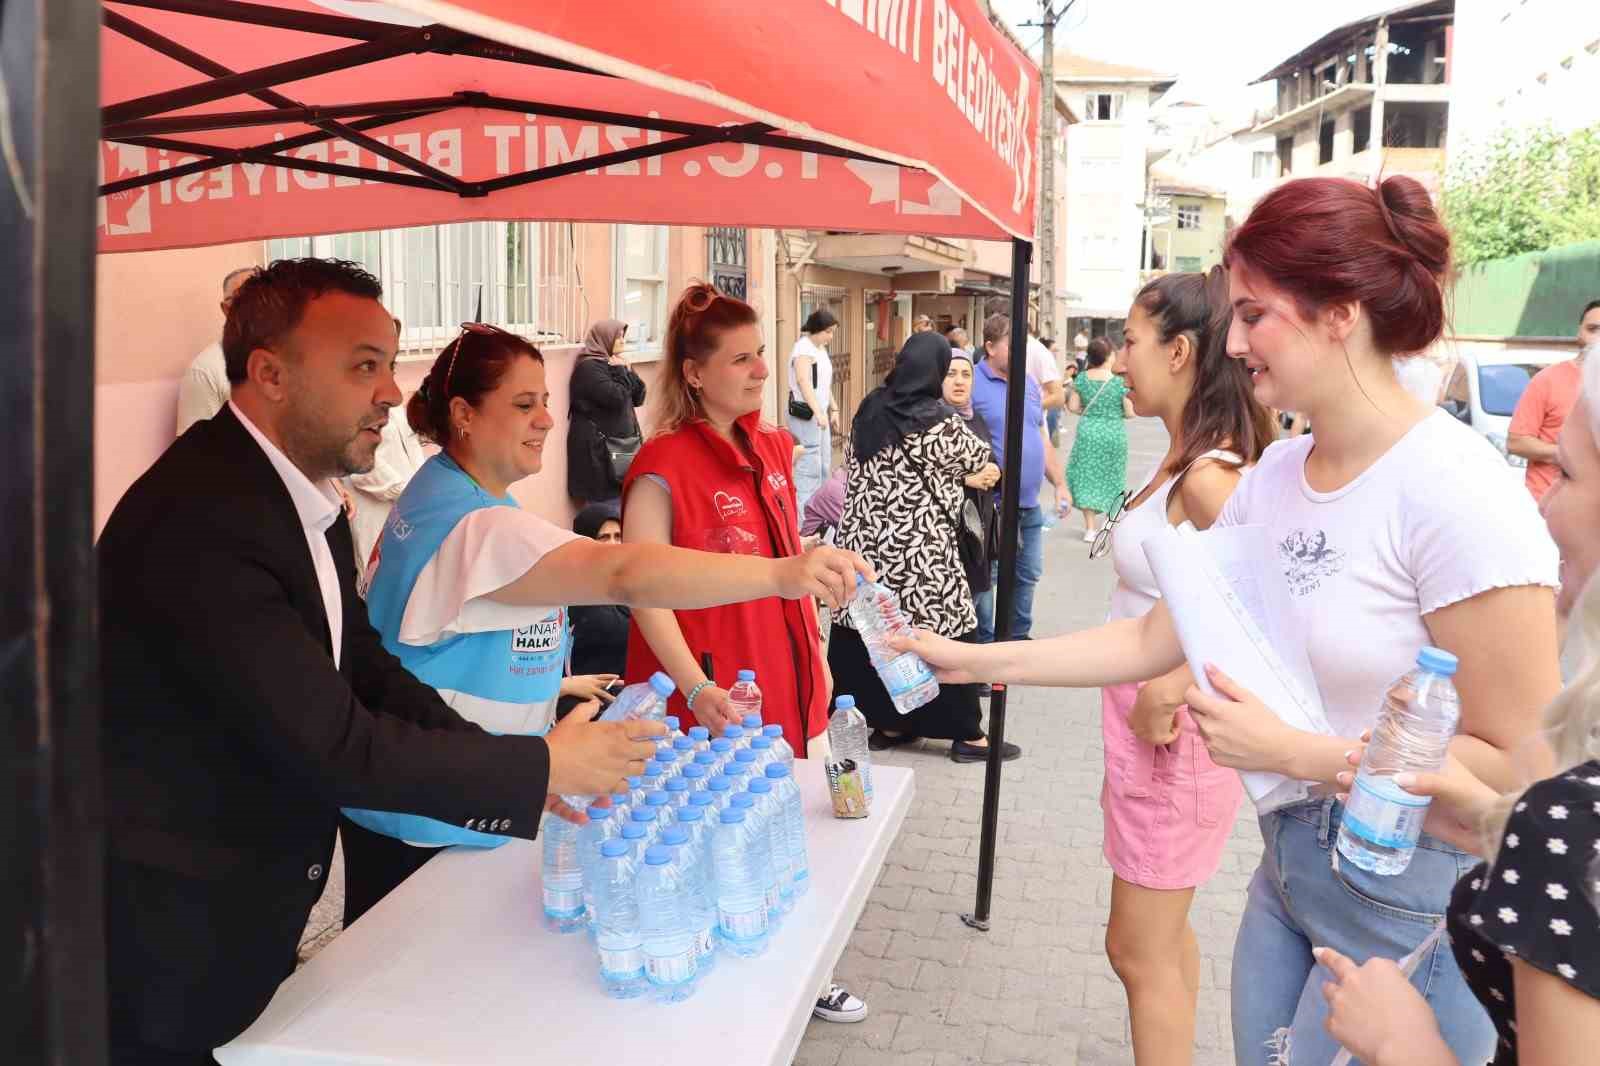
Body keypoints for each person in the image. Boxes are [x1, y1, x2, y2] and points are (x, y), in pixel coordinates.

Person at [895, 176, 1561, 1066]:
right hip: (1290, 866)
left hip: (1413, 902)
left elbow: (1521, 773)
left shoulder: (1456, 492)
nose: (1234, 340)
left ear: (1341, 313)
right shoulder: (1281, 474)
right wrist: (968, 660)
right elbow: (1151, 638)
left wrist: (1301, 755)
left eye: (1255, 314)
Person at [98, 259, 663, 1065]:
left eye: (390, 365)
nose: (394, 394)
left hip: (241, 911)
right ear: (270, 374)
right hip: (164, 926)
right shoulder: (204, 520)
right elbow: (334, 744)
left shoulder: (304, 495)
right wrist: (535, 768)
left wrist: (520, 768)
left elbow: (368, 668)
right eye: (364, 366)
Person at [340, 318, 869, 927]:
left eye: (545, 401)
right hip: (431, 825)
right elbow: (627, 575)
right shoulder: (476, 527)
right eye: (522, 405)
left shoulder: (448, 494)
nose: (546, 419)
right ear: (463, 414)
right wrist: (782, 576)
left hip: (433, 798)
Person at [1319, 352, 1600, 1065]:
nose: (1542, 503)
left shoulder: (1569, 827)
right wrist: (1495, 821)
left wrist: (1401, 1041)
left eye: (1565, 474)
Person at [624, 282, 869, 1023]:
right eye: (741, 359)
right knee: (702, 837)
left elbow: (780, 553)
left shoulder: (769, 446)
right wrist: (696, 686)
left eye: (763, 353)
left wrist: (817, 637)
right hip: (706, 690)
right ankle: (708, 983)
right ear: (695, 373)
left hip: (779, 668)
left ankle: (799, 961)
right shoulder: (662, 463)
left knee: (777, 829)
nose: (762, 370)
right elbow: (642, 588)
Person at [1098, 270, 1276, 1066]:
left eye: (1130, 342)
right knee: (1160, 947)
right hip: (1152, 737)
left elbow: (1279, 608)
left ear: (1177, 351)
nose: (1117, 359)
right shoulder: (1187, 456)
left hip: (1176, 743)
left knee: (1137, 952)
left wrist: (1173, 682)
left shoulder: (1209, 474)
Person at [829, 331, 1016, 763]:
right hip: (920, 554)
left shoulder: (870, 408)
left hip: (866, 553)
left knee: (870, 633)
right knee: (946, 630)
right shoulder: (935, 417)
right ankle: (969, 736)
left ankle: (891, 723)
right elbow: (978, 455)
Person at [970, 312, 1051, 643]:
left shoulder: (1029, 383)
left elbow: (1040, 434)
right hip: (994, 503)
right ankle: (988, 645)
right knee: (987, 579)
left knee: (1027, 573)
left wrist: (1059, 483)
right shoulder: (972, 383)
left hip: (1030, 503)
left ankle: (1019, 639)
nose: (1021, 350)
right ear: (990, 347)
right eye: (1012, 344)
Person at [347, 315, 427, 589]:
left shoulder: (391, 392)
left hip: (408, 512)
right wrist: (406, 491)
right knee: (376, 585)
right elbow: (362, 467)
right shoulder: (356, 396)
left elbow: (412, 443)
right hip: (376, 512)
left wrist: (422, 488)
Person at [1508, 299, 1600, 501]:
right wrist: (1566, 455)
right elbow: (1516, 442)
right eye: (1593, 329)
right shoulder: (1548, 379)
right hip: (1546, 508)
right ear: (1579, 333)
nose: (1598, 339)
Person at [565, 317, 646, 506]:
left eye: (624, 336)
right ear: (605, 338)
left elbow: (639, 397)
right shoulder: (588, 368)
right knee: (605, 512)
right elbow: (616, 398)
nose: (623, 341)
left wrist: (627, 371)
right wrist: (620, 371)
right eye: (619, 337)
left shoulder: (614, 364)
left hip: (620, 450)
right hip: (599, 455)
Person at [1066, 337, 1134, 542]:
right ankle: (1108, 523)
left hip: (1089, 431)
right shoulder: (1118, 382)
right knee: (1112, 476)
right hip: (1113, 433)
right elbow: (1130, 412)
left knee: (1087, 477)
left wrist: (1089, 414)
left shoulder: (1082, 379)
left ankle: (1089, 528)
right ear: (1108, 356)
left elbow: (1072, 406)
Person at [946, 347, 1001, 600]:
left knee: (981, 610)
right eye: (951, 374)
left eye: (966, 375)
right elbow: (918, 478)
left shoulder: (975, 417)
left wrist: (994, 471)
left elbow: (989, 457)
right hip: (950, 538)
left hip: (980, 531)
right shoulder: (932, 421)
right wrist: (969, 480)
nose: (959, 381)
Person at [174, 266, 254, 434]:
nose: (254, 305)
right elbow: (193, 451)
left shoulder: (288, 358)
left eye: (261, 297)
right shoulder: (205, 371)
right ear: (226, 309)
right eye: (242, 298)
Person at [567, 501, 630, 678]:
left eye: (618, 536)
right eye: (604, 537)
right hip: (581, 695)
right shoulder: (572, 590)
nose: (613, 544)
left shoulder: (629, 584)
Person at [788, 308, 839, 512]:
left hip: (820, 415)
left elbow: (824, 385)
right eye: (828, 332)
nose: (831, 336)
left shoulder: (820, 349)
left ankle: (820, 514)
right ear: (817, 330)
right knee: (809, 468)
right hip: (806, 416)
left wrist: (833, 408)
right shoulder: (803, 348)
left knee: (823, 466)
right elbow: (803, 381)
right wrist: (818, 412)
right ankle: (804, 520)